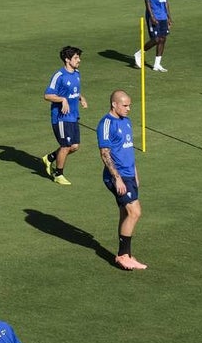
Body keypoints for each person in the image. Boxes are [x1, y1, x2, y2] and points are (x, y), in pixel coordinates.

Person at [97, 91, 146, 270]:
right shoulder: (106, 124)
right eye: (125, 105)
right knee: (135, 212)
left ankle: (126, 254)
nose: (128, 109)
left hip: (129, 174)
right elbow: (105, 153)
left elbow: (128, 149)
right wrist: (117, 179)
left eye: (129, 105)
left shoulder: (127, 122)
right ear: (114, 104)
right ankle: (122, 256)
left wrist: (135, 173)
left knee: (125, 213)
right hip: (116, 176)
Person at [41, 45, 87, 186]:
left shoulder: (76, 73)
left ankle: (50, 158)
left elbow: (73, 90)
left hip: (73, 116)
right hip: (61, 118)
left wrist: (81, 97)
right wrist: (62, 99)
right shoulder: (59, 76)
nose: (79, 60)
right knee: (66, 145)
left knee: (75, 146)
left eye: (78, 57)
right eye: (76, 58)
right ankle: (58, 174)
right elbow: (47, 95)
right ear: (67, 60)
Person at [134, 0, 175, 72]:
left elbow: (166, 2)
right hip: (154, 16)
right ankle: (139, 53)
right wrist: (152, 16)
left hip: (163, 17)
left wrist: (169, 17)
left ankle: (157, 64)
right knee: (156, 39)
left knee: (163, 39)